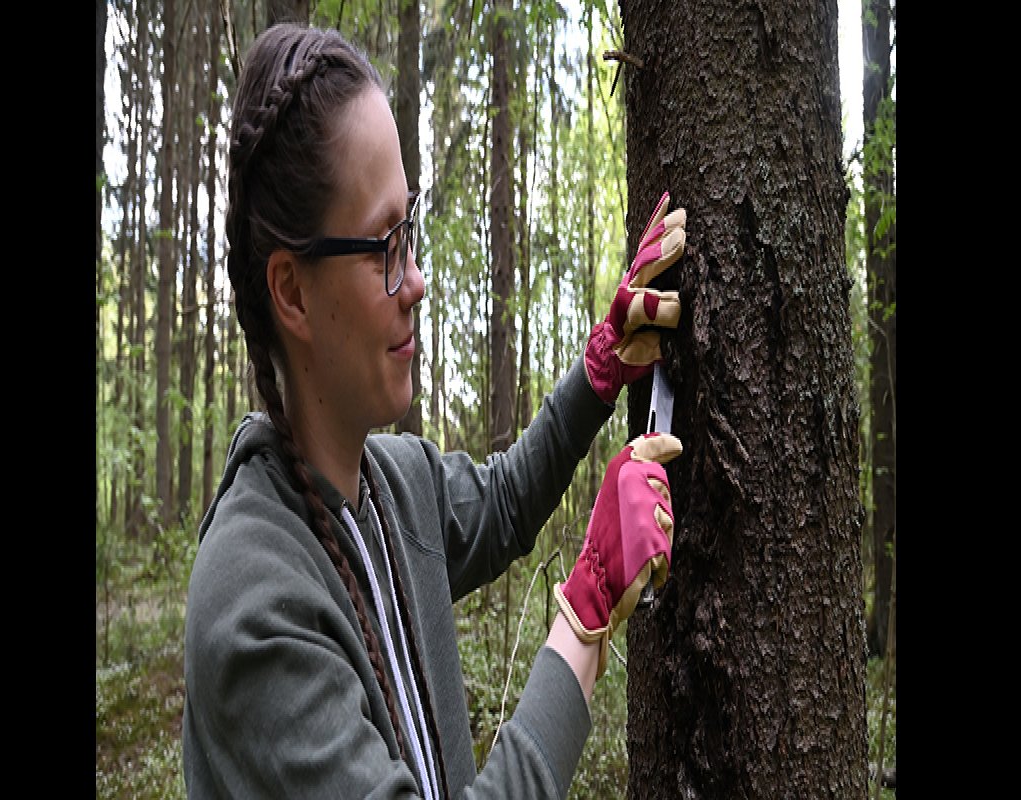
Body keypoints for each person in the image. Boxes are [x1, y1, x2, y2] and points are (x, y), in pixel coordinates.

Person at [182, 22, 688, 799]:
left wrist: (601, 369)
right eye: (386, 246)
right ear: (291, 292)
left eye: (409, 231)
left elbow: (507, 502)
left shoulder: (393, 484)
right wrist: (585, 611)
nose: (416, 281)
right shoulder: (254, 605)